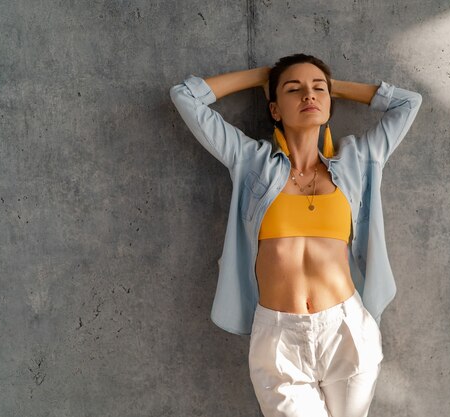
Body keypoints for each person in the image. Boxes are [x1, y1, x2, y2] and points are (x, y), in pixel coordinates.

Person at [170, 53, 422, 417]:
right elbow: (185, 96)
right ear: (274, 108)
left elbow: (408, 102)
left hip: (347, 330)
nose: (309, 96)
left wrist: (331, 87)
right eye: (294, 89)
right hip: (278, 336)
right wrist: (265, 75)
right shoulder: (250, 160)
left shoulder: (359, 160)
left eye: (318, 89)